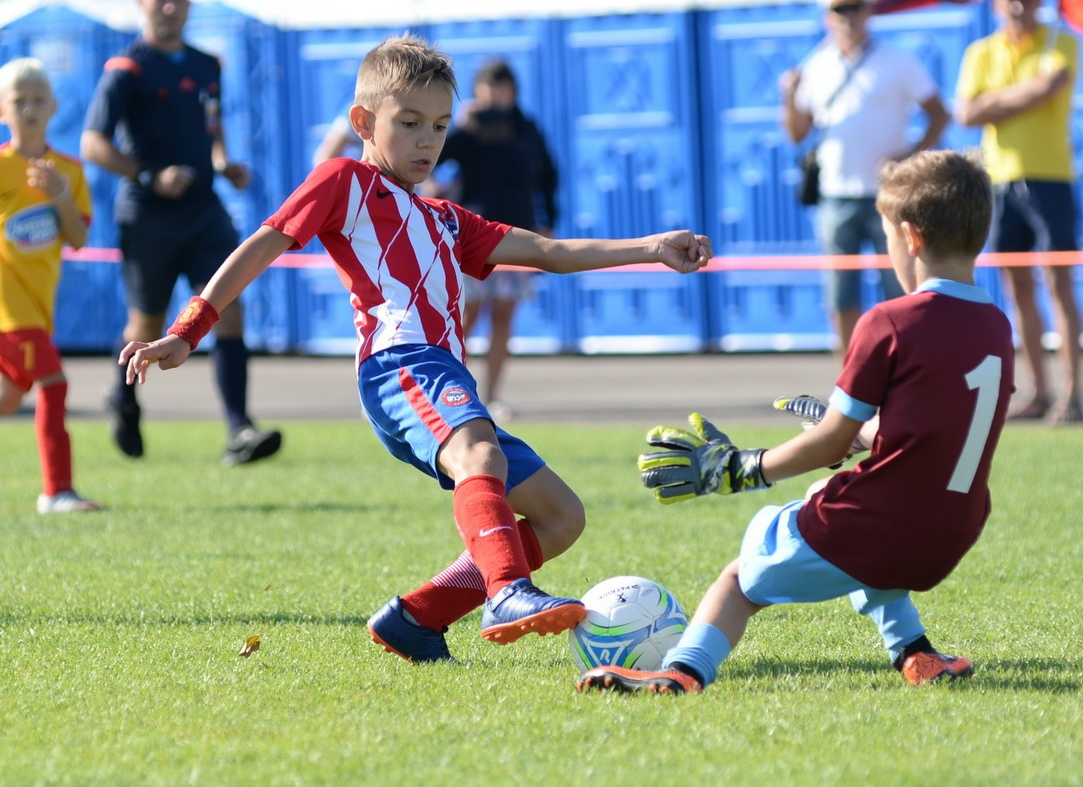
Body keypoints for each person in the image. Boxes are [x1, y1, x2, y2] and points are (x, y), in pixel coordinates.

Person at [118, 34, 712, 662]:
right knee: (480, 452)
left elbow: (548, 253)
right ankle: (507, 591)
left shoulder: (446, 218)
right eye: (409, 124)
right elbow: (260, 246)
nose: (427, 141)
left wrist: (651, 246)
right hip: (400, 364)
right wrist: (188, 328)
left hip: (444, 375)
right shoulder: (343, 181)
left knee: (562, 516)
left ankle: (417, 618)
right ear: (361, 123)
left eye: (439, 126)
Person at [578, 150, 1014, 694]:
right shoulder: (996, 326)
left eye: (885, 239)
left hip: (885, 525)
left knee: (740, 579)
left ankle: (680, 672)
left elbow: (828, 438)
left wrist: (744, 467)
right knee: (834, 491)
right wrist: (861, 432)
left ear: (911, 238)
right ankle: (916, 653)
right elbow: (938, 430)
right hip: (952, 532)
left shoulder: (890, 322)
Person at [80, 0, 282, 465]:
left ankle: (239, 429)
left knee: (228, 308)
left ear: (190, 6)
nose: (171, 6)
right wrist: (149, 175)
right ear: (142, 5)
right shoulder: (126, 68)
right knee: (147, 324)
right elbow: (92, 143)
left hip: (204, 211)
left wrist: (223, 163)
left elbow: (211, 122)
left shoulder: (207, 65)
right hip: (147, 215)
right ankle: (123, 398)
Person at [781, 0, 950, 356]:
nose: (848, 17)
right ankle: (850, 371)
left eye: (855, 8)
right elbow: (797, 133)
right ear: (828, 17)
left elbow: (939, 114)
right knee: (841, 291)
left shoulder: (897, 61)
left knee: (900, 285)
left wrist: (908, 156)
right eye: (839, 10)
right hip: (835, 194)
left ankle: (906, 363)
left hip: (887, 195)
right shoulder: (816, 65)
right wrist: (789, 97)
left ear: (868, 13)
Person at [956, 0, 1083, 425]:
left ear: (1038, 1)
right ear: (997, 3)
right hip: (1000, 180)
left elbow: (1047, 91)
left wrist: (996, 103)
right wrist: (1024, 94)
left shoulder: (1061, 40)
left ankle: (1072, 393)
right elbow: (967, 113)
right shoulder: (981, 51)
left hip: (1051, 178)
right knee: (1017, 288)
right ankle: (1038, 391)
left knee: (1059, 284)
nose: (1018, 5)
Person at [0, 57, 103, 514]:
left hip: (40, 304)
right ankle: (57, 491)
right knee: (53, 382)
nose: (29, 109)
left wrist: (59, 194)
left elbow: (79, 240)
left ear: (54, 107)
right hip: (7, 303)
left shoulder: (69, 171)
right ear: (3, 110)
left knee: (6, 401)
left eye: (38, 99)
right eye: (19, 101)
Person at [433, 59, 560, 421]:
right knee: (465, 317)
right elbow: (432, 159)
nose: (497, 98)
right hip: (472, 236)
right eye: (489, 90)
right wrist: (459, 127)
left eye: (503, 89)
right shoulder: (468, 130)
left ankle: (492, 397)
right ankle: (449, 392)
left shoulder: (526, 129)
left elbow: (548, 176)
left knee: (504, 316)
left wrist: (548, 221)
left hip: (516, 234)